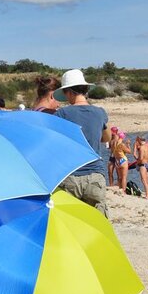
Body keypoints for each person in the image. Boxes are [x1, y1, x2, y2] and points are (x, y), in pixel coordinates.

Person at [55, 69, 110, 216]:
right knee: (98, 222)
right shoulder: (100, 113)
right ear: (85, 90)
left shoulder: (62, 114)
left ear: (69, 92)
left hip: (71, 175)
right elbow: (107, 138)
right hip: (95, 175)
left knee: (71, 221)